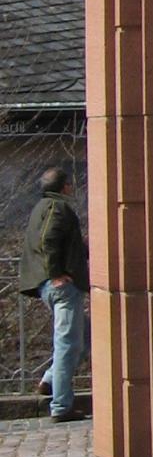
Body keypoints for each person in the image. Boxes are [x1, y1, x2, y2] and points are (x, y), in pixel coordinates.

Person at [18, 167, 89, 421]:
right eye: (69, 184)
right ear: (63, 187)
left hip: (51, 286)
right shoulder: (57, 208)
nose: (72, 187)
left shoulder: (42, 207)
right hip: (61, 288)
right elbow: (49, 240)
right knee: (68, 345)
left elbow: (62, 242)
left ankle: (49, 381)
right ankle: (61, 406)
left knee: (86, 338)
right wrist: (57, 273)